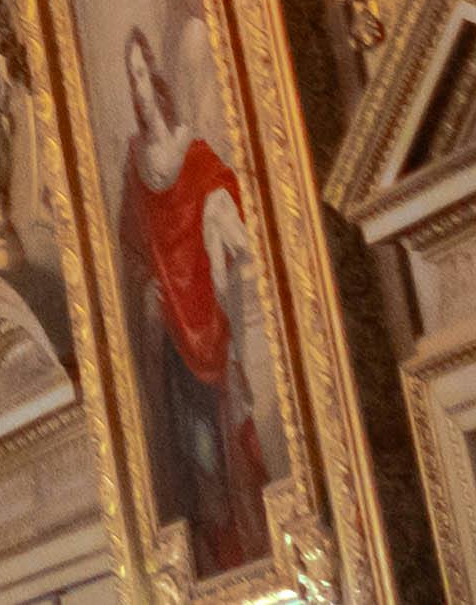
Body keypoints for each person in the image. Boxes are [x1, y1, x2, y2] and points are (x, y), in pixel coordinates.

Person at [109, 32, 271, 569]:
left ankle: (242, 547)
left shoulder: (191, 149)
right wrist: (146, 289)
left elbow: (225, 198)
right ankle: (218, 558)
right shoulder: (136, 167)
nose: (139, 85)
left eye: (141, 70)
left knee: (221, 438)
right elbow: (129, 248)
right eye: (130, 76)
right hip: (173, 335)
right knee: (193, 449)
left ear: (155, 73)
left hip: (205, 313)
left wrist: (215, 216)